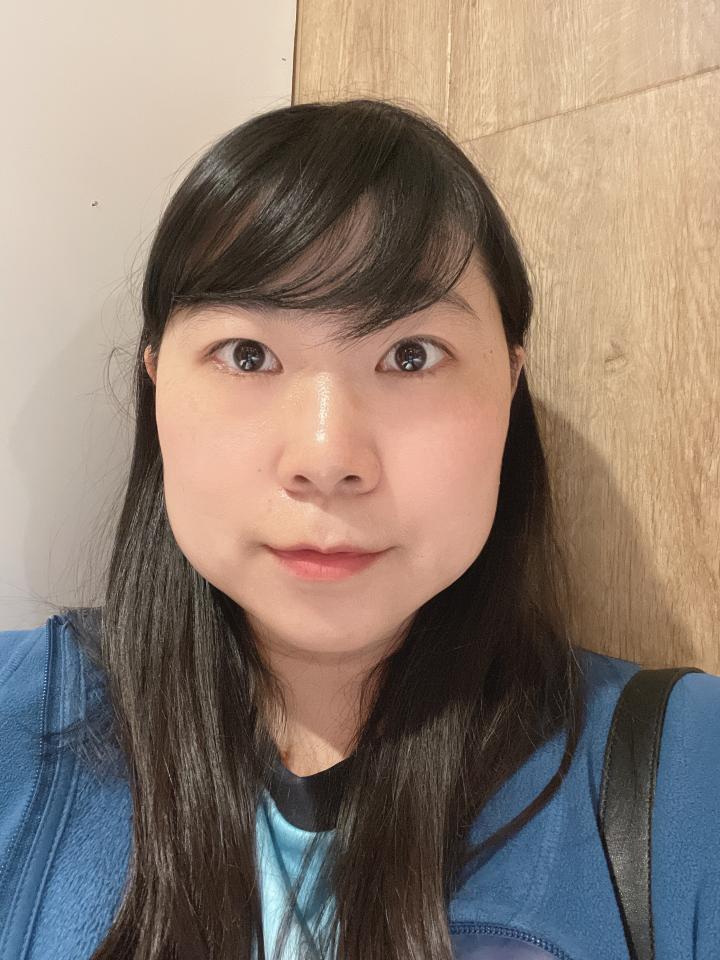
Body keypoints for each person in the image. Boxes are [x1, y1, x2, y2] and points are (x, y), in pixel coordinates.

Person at [0, 98, 718, 960]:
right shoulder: (17, 720)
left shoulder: (686, 773)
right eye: (248, 355)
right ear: (157, 386)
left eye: (411, 355)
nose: (326, 456)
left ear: (509, 385)